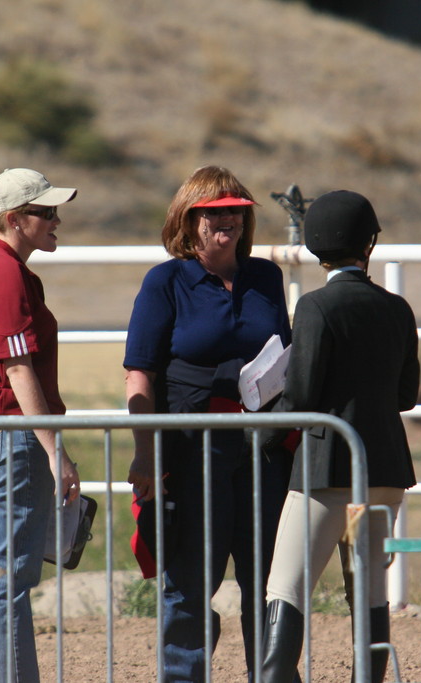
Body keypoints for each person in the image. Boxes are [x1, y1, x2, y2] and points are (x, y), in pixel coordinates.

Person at [124, 165, 294, 682]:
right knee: (190, 582)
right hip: (191, 452)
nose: (227, 223)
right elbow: (140, 373)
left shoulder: (265, 277)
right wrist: (146, 453)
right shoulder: (166, 281)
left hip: (262, 453)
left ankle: (273, 676)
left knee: (268, 581)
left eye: (237, 213)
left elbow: (284, 357)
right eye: (213, 213)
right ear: (189, 219)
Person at [259, 190, 420, 683]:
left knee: (286, 587)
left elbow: (302, 396)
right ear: (367, 245)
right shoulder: (398, 308)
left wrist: (262, 433)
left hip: (326, 473)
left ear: (313, 247)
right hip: (385, 472)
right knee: (370, 590)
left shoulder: (315, 307)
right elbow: (406, 395)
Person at [0, 167, 82, 683]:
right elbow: (16, 365)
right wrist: (55, 450)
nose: (55, 221)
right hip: (9, 431)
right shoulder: (4, 271)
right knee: (6, 579)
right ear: (14, 219)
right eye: (45, 212)